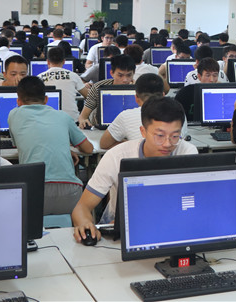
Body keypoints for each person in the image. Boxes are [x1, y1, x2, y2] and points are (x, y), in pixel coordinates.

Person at [72, 97, 198, 241]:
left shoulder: (187, 153)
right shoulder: (117, 156)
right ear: (143, 131)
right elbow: (82, 207)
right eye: (160, 136)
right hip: (120, 229)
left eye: (175, 136)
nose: (167, 144)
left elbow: (191, 202)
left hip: (171, 226)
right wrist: (85, 223)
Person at [8, 76, 93, 214]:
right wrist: (65, 148)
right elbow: (88, 149)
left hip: (34, 190)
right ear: (46, 99)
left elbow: (22, 144)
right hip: (70, 192)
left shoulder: (13, 115)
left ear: (18, 101)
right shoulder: (63, 117)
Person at [99, 74, 169, 149]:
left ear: (136, 98)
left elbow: (104, 144)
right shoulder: (176, 115)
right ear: (163, 95)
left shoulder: (125, 116)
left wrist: (130, 144)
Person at [78, 54, 136, 128]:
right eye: (120, 75)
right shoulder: (98, 87)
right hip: (103, 129)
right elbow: (83, 116)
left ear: (134, 73)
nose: (125, 80)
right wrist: (83, 121)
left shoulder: (139, 89)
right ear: (112, 73)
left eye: (129, 75)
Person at [38, 46, 89, 120]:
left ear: (48, 61)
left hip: (47, 120)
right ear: (64, 61)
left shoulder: (39, 78)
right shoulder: (73, 75)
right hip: (72, 120)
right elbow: (89, 96)